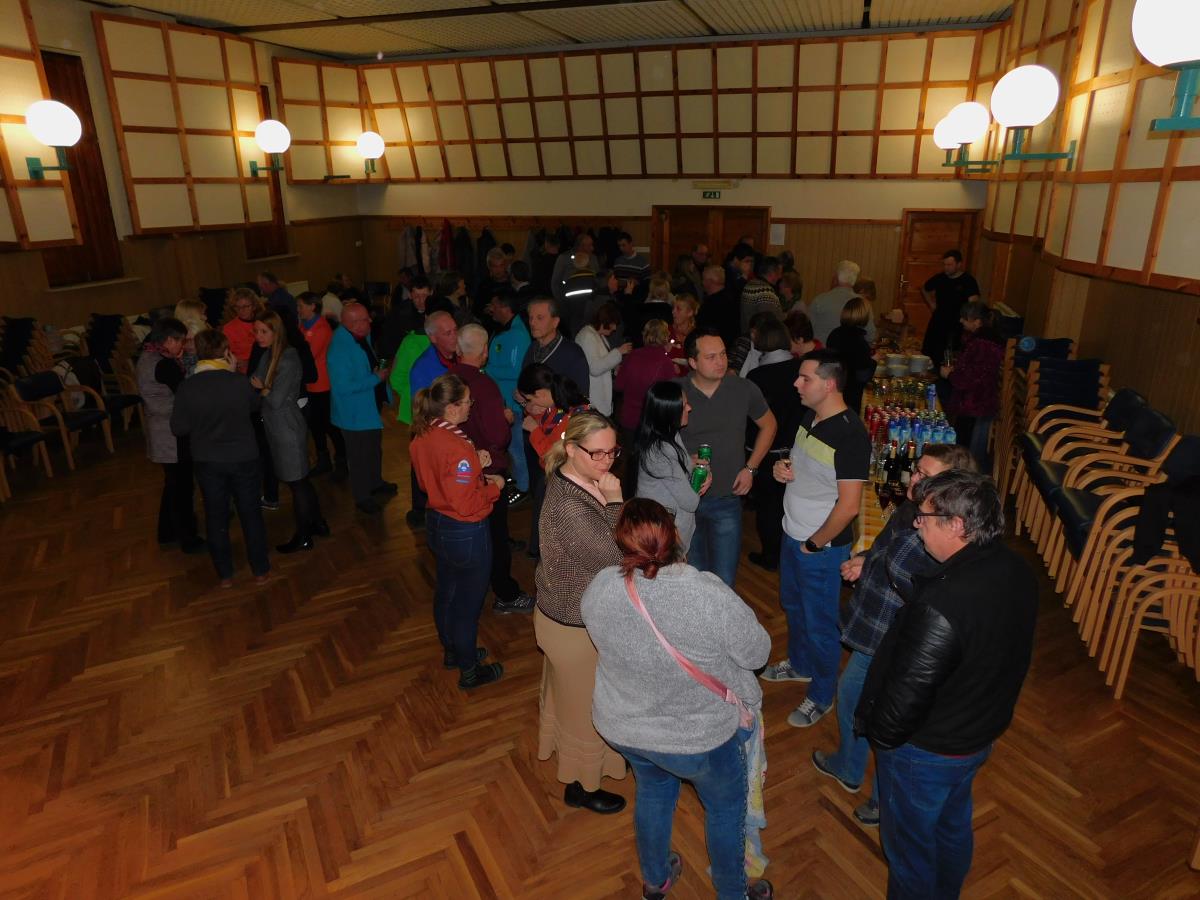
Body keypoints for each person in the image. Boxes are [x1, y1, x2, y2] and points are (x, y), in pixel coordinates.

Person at [856, 470, 1038, 899]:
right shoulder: (1015, 568)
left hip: (926, 752)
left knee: (909, 852)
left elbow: (902, 702)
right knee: (951, 827)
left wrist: (883, 741)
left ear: (956, 525)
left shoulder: (941, 605)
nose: (917, 525)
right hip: (976, 735)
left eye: (924, 517)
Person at [581, 499, 774, 900]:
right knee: (724, 810)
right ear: (675, 537)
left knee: (653, 791)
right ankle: (732, 893)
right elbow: (757, 654)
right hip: (700, 739)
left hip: (626, 728)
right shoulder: (705, 593)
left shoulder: (600, 586)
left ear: (622, 542)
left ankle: (657, 879)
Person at [810, 444, 977, 827]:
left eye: (926, 476)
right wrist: (865, 560)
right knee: (852, 698)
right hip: (877, 629)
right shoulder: (911, 509)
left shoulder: (944, 533)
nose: (913, 478)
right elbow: (888, 550)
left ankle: (885, 801)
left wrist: (877, 565)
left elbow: (924, 589)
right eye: (916, 470)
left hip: (899, 638)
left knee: (887, 720)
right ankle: (850, 768)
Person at [761, 350, 869, 729]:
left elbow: (849, 506)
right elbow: (805, 466)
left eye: (805, 378)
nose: (796, 384)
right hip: (793, 534)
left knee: (820, 624)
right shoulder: (811, 416)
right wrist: (784, 468)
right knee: (793, 606)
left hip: (819, 548)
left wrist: (812, 544)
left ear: (830, 384)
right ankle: (801, 664)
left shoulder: (851, 436)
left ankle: (822, 695)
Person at [533, 410, 628, 814]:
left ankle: (588, 769)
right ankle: (581, 787)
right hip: (573, 626)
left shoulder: (576, 477)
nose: (606, 461)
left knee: (573, 700)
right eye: (597, 453)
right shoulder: (571, 507)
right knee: (584, 711)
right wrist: (616, 501)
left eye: (612, 452)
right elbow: (616, 555)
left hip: (566, 613)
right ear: (571, 449)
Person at [409, 374, 508, 689]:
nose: (471, 406)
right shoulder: (458, 446)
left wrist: (474, 464)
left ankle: (453, 651)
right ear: (451, 408)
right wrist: (494, 487)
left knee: (447, 592)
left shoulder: (422, 435)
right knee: (467, 605)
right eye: (467, 402)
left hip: (437, 524)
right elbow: (466, 504)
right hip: (466, 532)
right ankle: (470, 671)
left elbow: (431, 482)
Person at [676, 328, 776, 588]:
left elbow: (769, 425)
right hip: (685, 500)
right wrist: (684, 459)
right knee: (692, 579)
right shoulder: (676, 392)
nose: (721, 361)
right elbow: (654, 442)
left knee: (724, 581)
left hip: (727, 499)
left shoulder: (743, 388)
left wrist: (751, 468)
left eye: (722, 354)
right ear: (693, 362)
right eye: (711, 357)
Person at [171, 330, 270, 588]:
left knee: (216, 517)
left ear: (198, 353)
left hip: (208, 460)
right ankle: (260, 570)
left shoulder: (188, 386)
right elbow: (255, 406)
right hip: (244, 457)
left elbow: (178, 428)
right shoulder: (238, 382)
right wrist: (237, 373)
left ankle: (225, 575)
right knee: (251, 514)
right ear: (226, 352)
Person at [448, 325, 535, 616]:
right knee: (495, 534)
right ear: (485, 352)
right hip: (487, 471)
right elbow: (498, 436)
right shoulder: (484, 386)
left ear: (458, 349)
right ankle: (505, 593)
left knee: (472, 530)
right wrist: (506, 419)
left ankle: (472, 583)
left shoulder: (447, 381)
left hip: (456, 470)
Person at [251, 309, 328, 554]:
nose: (258, 336)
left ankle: (304, 536)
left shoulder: (288, 358)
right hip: (277, 426)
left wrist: (263, 388)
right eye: (256, 331)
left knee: (297, 483)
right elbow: (256, 381)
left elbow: (274, 399)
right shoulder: (268, 353)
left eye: (263, 331)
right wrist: (264, 388)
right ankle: (318, 523)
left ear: (276, 332)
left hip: (287, 427)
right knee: (300, 481)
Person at [137, 317, 203, 554]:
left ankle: (166, 532)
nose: (183, 345)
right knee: (182, 488)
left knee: (172, 485)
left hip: (161, 431)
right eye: (180, 341)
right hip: (172, 434)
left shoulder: (148, 356)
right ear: (168, 340)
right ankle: (189, 539)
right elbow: (186, 393)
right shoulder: (164, 365)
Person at [742, 317, 798, 572]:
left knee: (767, 507)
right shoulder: (800, 369)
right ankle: (788, 555)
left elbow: (749, 417)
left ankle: (770, 556)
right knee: (789, 505)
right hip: (795, 450)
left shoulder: (757, 375)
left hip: (765, 451)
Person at [327, 303, 393, 515]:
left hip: (368, 408)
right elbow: (343, 387)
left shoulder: (360, 336)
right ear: (353, 324)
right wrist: (376, 378)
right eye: (365, 319)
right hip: (354, 414)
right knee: (359, 456)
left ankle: (375, 482)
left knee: (373, 449)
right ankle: (363, 496)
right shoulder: (339, 349)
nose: (370, 321)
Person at [628, 381, 709, 548]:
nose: (689, 408)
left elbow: (683, 466)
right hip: (663, 540)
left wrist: (697, 466)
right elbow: (691, 502)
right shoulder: (660, 452)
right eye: (684, 405)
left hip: (670, 532)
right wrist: (700, 477)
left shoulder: (670, 434)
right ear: (669, 412)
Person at [405, 311, 459, 529]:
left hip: (455, 429)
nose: (455, 336)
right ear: (433, 338)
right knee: (424, 470)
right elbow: (423, 412)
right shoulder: (422, 368)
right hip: (431, 429)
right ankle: (420, 511)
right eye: (448, 333)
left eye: (455, 330)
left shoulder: (461, 355)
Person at [941, 300, 1004, 469]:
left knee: (969, 455)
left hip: (975, 405)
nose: (961, 321)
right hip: (978, 403)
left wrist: (950, 374)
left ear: (977, 321)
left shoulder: (982, 344)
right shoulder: (985, 340)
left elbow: (971, 379)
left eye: (965, 318)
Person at [485, 293, 532, 497]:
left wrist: (485, 369)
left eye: (494, 305)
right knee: (512, 446)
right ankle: (521, 480)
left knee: (516, 447)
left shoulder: (518, 334)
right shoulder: (507, 331)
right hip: (506, 401)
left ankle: (523, 487)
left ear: (505, 308)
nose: (490, 309)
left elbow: (515, 370)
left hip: (514, 404)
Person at [298, 292, 346, 481]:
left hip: (322, 384)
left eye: (301, 306)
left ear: (312, 306)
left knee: (329, 425)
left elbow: (308, 356)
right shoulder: (303, 326)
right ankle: (323, 460)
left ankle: (342, 461)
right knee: (315, 425)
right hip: (310, 384)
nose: (298, 310)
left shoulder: (322, 328)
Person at [615, 319, 678, 436]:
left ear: (645, 334)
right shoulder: (666, 363)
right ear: (665, 337)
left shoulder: (632, 356)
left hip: (629, 419)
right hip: (653, 423)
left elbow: (619, 385)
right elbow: (672, 397)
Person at [921, 249, 981, 367]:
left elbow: (973, 303)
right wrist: (931, 304)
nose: (946, 268)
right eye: (944, 264)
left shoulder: (968, 280)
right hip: (938, 320)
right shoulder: (940, 278)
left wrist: (969, 321)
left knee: (949, 355)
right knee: (930, 352)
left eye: (949, 265)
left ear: (959, 264)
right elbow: (924, 288)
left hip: (956, 324)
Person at [574, 301, 631, 417]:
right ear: (605, 321)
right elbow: (594, 368)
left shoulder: (597, 335)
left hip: (599, 396)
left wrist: (615, 368)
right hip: (593, 398)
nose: (615, 328)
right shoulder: (588, 336)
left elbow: (603, 361)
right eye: (613, 323)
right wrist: (619, 352)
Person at [825, 296, 876, 414]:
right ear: (864, 317)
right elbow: (863, 377)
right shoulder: (860, 342)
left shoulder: (834, 334)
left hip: (832, 391)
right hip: (850, 398)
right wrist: (873, 361)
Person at [809, 260, 876, 345]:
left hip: (822, 351)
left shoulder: (819, 300)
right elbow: (870, 336)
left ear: (836, 278)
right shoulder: (863, 304)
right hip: (850, 352)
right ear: (854, 280)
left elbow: (808, 330)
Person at [694, 264, 739, 354]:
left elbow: (702, 329)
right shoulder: (733, 298)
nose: (702, 283)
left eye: (703, 279)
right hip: (731, 348)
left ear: (710, 282)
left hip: (713, 349)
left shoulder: (710, 305)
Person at [739, 256, 783, 335]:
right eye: (778, 273)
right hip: (761, 339)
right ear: (772, 273)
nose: (780, 277)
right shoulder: (766, 292)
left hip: (747, 335)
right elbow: (769, 323)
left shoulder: (750, 284)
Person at [223, 288, 260, 374]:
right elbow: (226, 355)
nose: (241, 310)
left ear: (254, 306)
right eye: (237, 307)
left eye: (245, 306)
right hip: (242, 371)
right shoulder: (228, 328)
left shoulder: (262, 323)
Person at [667, 293, 698, 369]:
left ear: (690, 313)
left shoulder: (696, 335)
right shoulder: (665, 331)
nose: (673, 312)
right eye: (673, 308)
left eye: (678, 309)